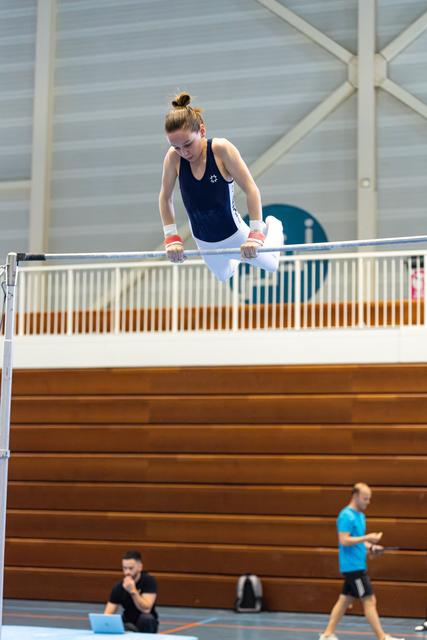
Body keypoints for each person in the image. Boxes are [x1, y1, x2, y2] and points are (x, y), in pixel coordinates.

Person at [159, 92, 284, 281]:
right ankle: (235, 259)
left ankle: (274, 226)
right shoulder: (173, 158)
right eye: (176, 147)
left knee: (272, 265)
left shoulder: (220, 150)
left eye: (187, 144)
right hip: (204, 241)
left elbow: (251, 189)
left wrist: (255, 232)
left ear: (202, 131)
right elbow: (165, 197)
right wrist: (171, 238)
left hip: (235, 235)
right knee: (224, 276)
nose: (183, 152)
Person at [319, 483, 404, 640]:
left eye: (369, 499)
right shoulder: (346, 516)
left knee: (345, 600)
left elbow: (357, 541)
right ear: (355, 496)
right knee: (369, 600)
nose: (368, 502)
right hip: (353, 567)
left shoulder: (360, 516)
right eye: (365, 499)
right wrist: (367, 537)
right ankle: (382, 637)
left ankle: (327, 634)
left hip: (358, 563)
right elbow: (344, 540)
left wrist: (371, 547)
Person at [104, 550, 158, 633]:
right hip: (127, 623)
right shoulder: (119, 586)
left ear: (140, 567)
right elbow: (108, 613)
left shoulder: (149, 581)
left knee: (146, 619)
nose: (127, 572)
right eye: (125, 568)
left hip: (145, 622)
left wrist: (133, 591)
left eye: (131, 568)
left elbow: (146, 609)